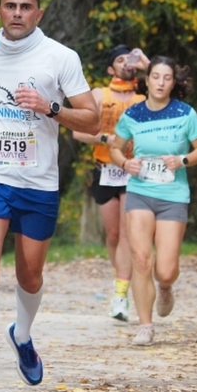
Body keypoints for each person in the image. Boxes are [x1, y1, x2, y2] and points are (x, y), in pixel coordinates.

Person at [0, 0, 99, 392]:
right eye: (10, 5)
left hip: (38, 181)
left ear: (39, 10)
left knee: (29, 275)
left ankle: (22, 335)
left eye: (25, 6)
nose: (17, 13)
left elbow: (92, 118)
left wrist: (51, 108)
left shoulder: (61, 58)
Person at [108, 56, 197, 346]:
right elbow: (116, 148)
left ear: (173, 82)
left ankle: (165, 287)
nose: (161, 83)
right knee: (141, 260)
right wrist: (125, 164)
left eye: (167, 78)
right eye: (156, 77)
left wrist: (182, 159)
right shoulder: (133, 115)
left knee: (164, 269)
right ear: (147, 80)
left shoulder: (185, 113)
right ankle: (145, 325)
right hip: (140, 191)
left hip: (173, 196)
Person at [71, 45, 147, 322]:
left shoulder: (142, 98)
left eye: (130, 59)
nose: (126, 63)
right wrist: (106, 139)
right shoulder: (99, 95)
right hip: (104, 169)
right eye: (120, 59)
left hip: (132, 171)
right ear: (110, 69)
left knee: (127, 233)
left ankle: (120, 294)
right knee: (113, 234)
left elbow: (168, 87)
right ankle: (120, 282)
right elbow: (79, 132)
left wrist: (145, 64)